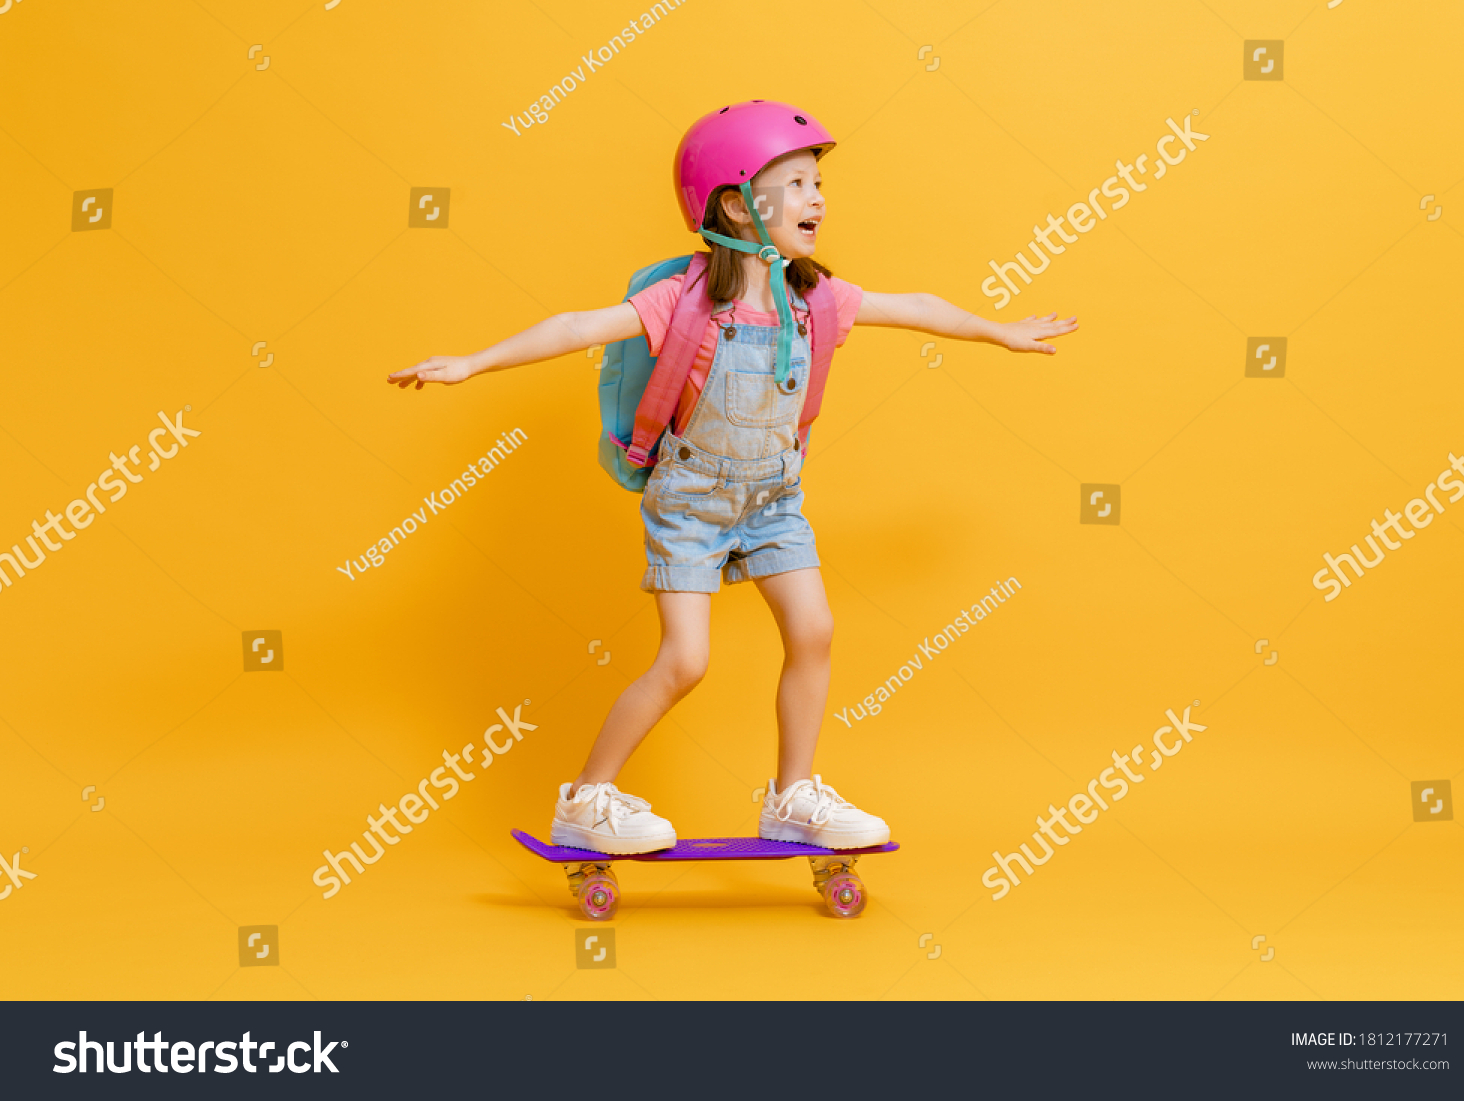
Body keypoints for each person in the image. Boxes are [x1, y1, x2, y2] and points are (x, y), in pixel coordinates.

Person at [388, 100, 1078, 856]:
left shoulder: (816, 298)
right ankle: (587, 799)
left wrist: (999, 330)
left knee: (814, 630)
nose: (818, 198)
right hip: (690, 501)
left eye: (819, 183)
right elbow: (575, 326)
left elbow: (913, 305)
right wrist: (472, 363)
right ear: (736, 205)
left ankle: (792, 796)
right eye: (798, 182)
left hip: (774, 499)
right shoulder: (681, 300)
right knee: (686, 661)